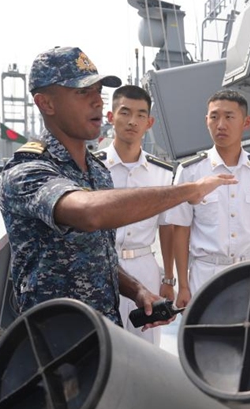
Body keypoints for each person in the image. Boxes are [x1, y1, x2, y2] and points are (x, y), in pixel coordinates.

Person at [0, 46, 235, 409]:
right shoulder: (27, 172)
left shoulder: (96, 170)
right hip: (57, 363)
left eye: (96, 90)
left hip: (101, 349)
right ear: (45, 103)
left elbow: (100, 252)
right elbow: (90, 213)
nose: (95, 101)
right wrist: (186, 190)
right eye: (80, 92)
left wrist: (136, 289)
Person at [167, 90, 250, 307]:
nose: (220, 124)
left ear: (246, 122)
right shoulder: (190, 171)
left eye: (229, 117)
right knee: (204, 338)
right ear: (206, 121)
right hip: (205, 274)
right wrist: (182, 284)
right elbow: (180, 229)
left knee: (249, 339)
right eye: (214, 117)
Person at [98, 85, 175, 347]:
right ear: (110, 117)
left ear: (149, 122)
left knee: (146, 342)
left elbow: (167, 227)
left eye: (141, 115)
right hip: (102, 266)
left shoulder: (161, 173)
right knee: (103, 341)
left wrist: (168, 279)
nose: (132, 121)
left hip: (145, 265)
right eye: (125, 112)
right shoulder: (93, 166)